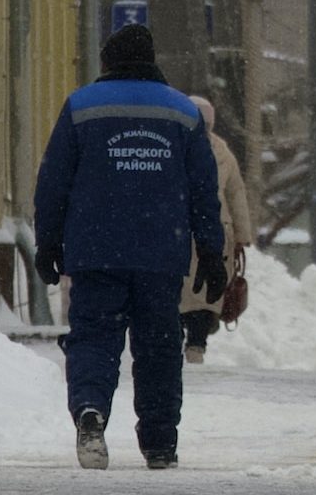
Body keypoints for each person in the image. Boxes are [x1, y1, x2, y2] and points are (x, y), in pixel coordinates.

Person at [32, 24, 224, 472]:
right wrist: (210, 250)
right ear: (152, 60)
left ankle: (90, 409)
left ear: (109, 61)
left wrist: (47, 242)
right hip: (161, 252)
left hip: (95, 249)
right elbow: (203, 188)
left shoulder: (81, 107)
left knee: (95, 338)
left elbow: (54, 180)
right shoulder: (182, 111)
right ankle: (159, 443)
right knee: (158, 348)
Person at [179, 96, 255, 365]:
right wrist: (242, 235)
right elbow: (236, 195)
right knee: (205, 296)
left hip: (178, 230)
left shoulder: (171, 144)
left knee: (179, 293)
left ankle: (177, 340)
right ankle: (197, 344)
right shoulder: (222, 151)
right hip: (215, 233)